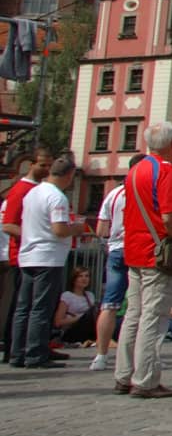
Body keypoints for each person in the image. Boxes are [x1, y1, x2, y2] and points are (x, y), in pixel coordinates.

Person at [114, 122, 172, 399]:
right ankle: (145, 379)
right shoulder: (167, 171)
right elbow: (170, 217)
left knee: (133, 314)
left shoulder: (136, 170)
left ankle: (124, 374)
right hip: (158, 252)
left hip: (134, 249)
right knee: (154, 316)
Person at [9, 156, 92, 368]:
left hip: (28, 254)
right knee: (41, 307)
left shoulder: (33, 193)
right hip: (47, 256)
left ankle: (18, 352)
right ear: (69, 174)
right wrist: (76, 228)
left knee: (23, 307)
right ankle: (36, 353)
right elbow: (59, 230)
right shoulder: (57, 197)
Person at [1, 147, 51, 363]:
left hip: (32, 253)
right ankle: (15, 348)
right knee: (21, 305)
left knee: (33, 304)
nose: (46, 169)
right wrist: (34, 235)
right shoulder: (21, 190)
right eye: (42, 165)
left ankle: (31, 344)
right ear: (30, 165)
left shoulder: (38, 189)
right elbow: (9, 224)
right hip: (22, 254)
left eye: (49, 165)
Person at [90, 162, 130, 371]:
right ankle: (131, 355)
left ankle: (101, 355)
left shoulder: (113, 194)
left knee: (109, 304)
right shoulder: (142, 191)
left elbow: (100, 229)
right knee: (138, 305)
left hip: (114, 249)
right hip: (136, 249)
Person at [53, 265, 97, 345]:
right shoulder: (67, 295)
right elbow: (58, 322)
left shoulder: (90, 295)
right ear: (74, 279)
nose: (84, 279)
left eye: (87, 276)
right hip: (71, 330)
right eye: (80, 276)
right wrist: (80, 318)